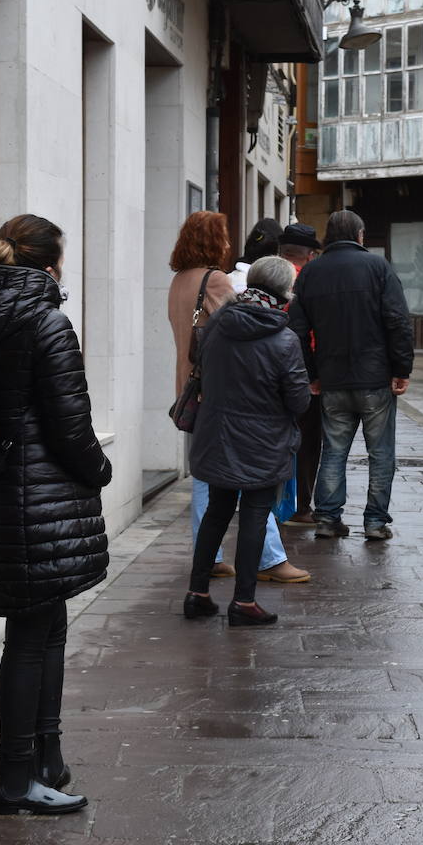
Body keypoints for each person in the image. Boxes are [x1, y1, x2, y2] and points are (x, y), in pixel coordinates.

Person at [0, 214, 112, 815]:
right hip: (39, 501)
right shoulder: (46, 322)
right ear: (49, 263)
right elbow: (71, 427)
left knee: (44, 627)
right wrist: (100, 470)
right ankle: (16, 780)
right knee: (29, 637)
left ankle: (48, 758)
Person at [168, 213, 310, 584]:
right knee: (248, 481)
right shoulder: (213, 279)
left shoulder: (179, 280)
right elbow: (243, 321)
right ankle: (270, 559)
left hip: (191, 389)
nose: (229, 244)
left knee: (206, 479)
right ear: (213, 241)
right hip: (223, 393)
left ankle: (209, 558)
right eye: (223, 236)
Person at [185, 257, 312, 626]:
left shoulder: (218, 324)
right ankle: (243, 602)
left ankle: (197, 593)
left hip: (217, 434)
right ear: (285, 292)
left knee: (216, 512)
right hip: (262, 441)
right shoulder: (284, 339)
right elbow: (299, 401)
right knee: (255, 515)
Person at [289, 210, 414, 541]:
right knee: (381, 452)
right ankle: (375, 522)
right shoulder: (378, 268)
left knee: (333, 449)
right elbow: (398, 321)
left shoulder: (311, 273)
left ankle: (328, 518)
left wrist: (311, 373)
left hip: (331, 378)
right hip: (375, 378)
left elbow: (298, 330)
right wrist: (402, 369)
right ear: (360, 236)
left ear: (328, 237)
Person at [276, 223, 323, 527]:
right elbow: (309, 333)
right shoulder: (310, 279)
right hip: (303, 375)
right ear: (310, 254)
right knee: (307, 441)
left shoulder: (266, 274)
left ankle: (274, 503)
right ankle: (302, 506)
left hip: (266, 374)